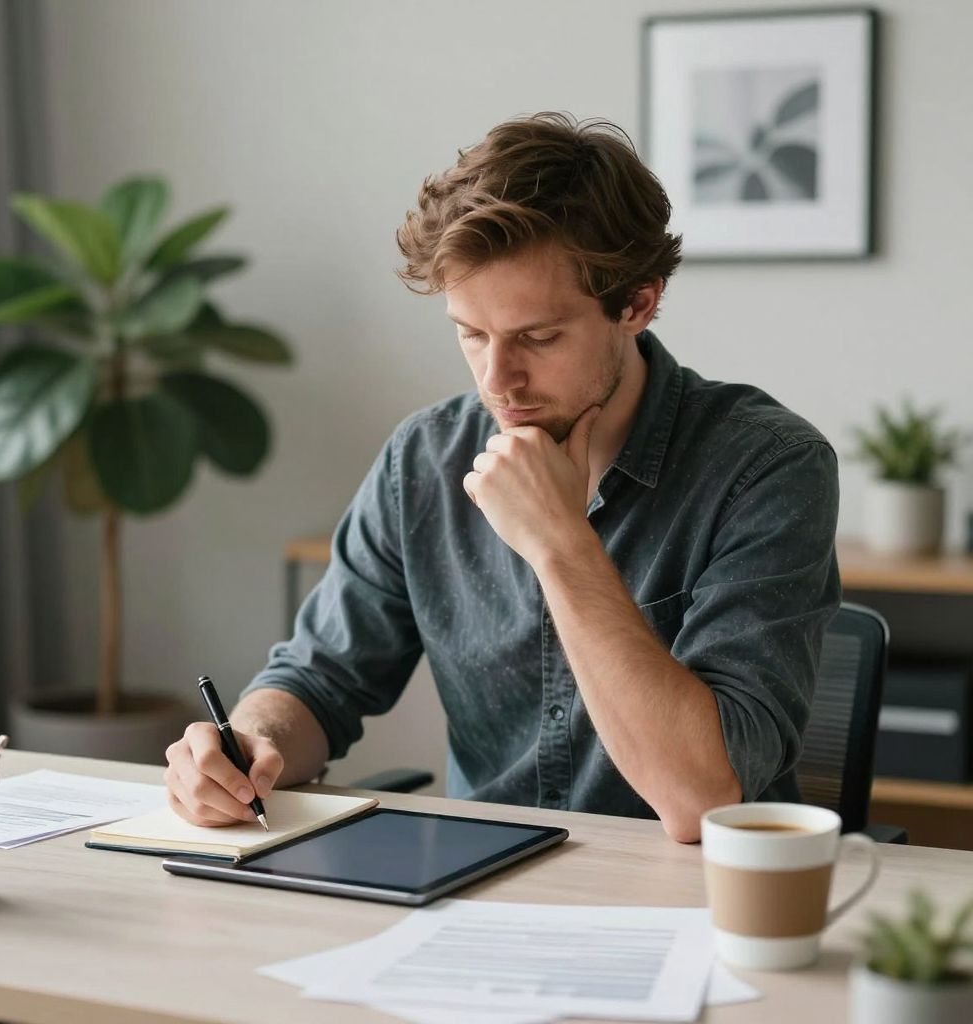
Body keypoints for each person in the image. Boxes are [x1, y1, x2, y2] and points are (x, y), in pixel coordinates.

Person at [164, 112, 840, 843]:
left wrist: (559, 540)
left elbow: (704, 801)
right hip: (479, 887)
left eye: (538, 337)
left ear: (637, 303)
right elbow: (319, 679)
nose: (498, 380)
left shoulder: (767, 467)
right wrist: (248, 743)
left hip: (695, 903)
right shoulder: (422, 459)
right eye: (471, 333)